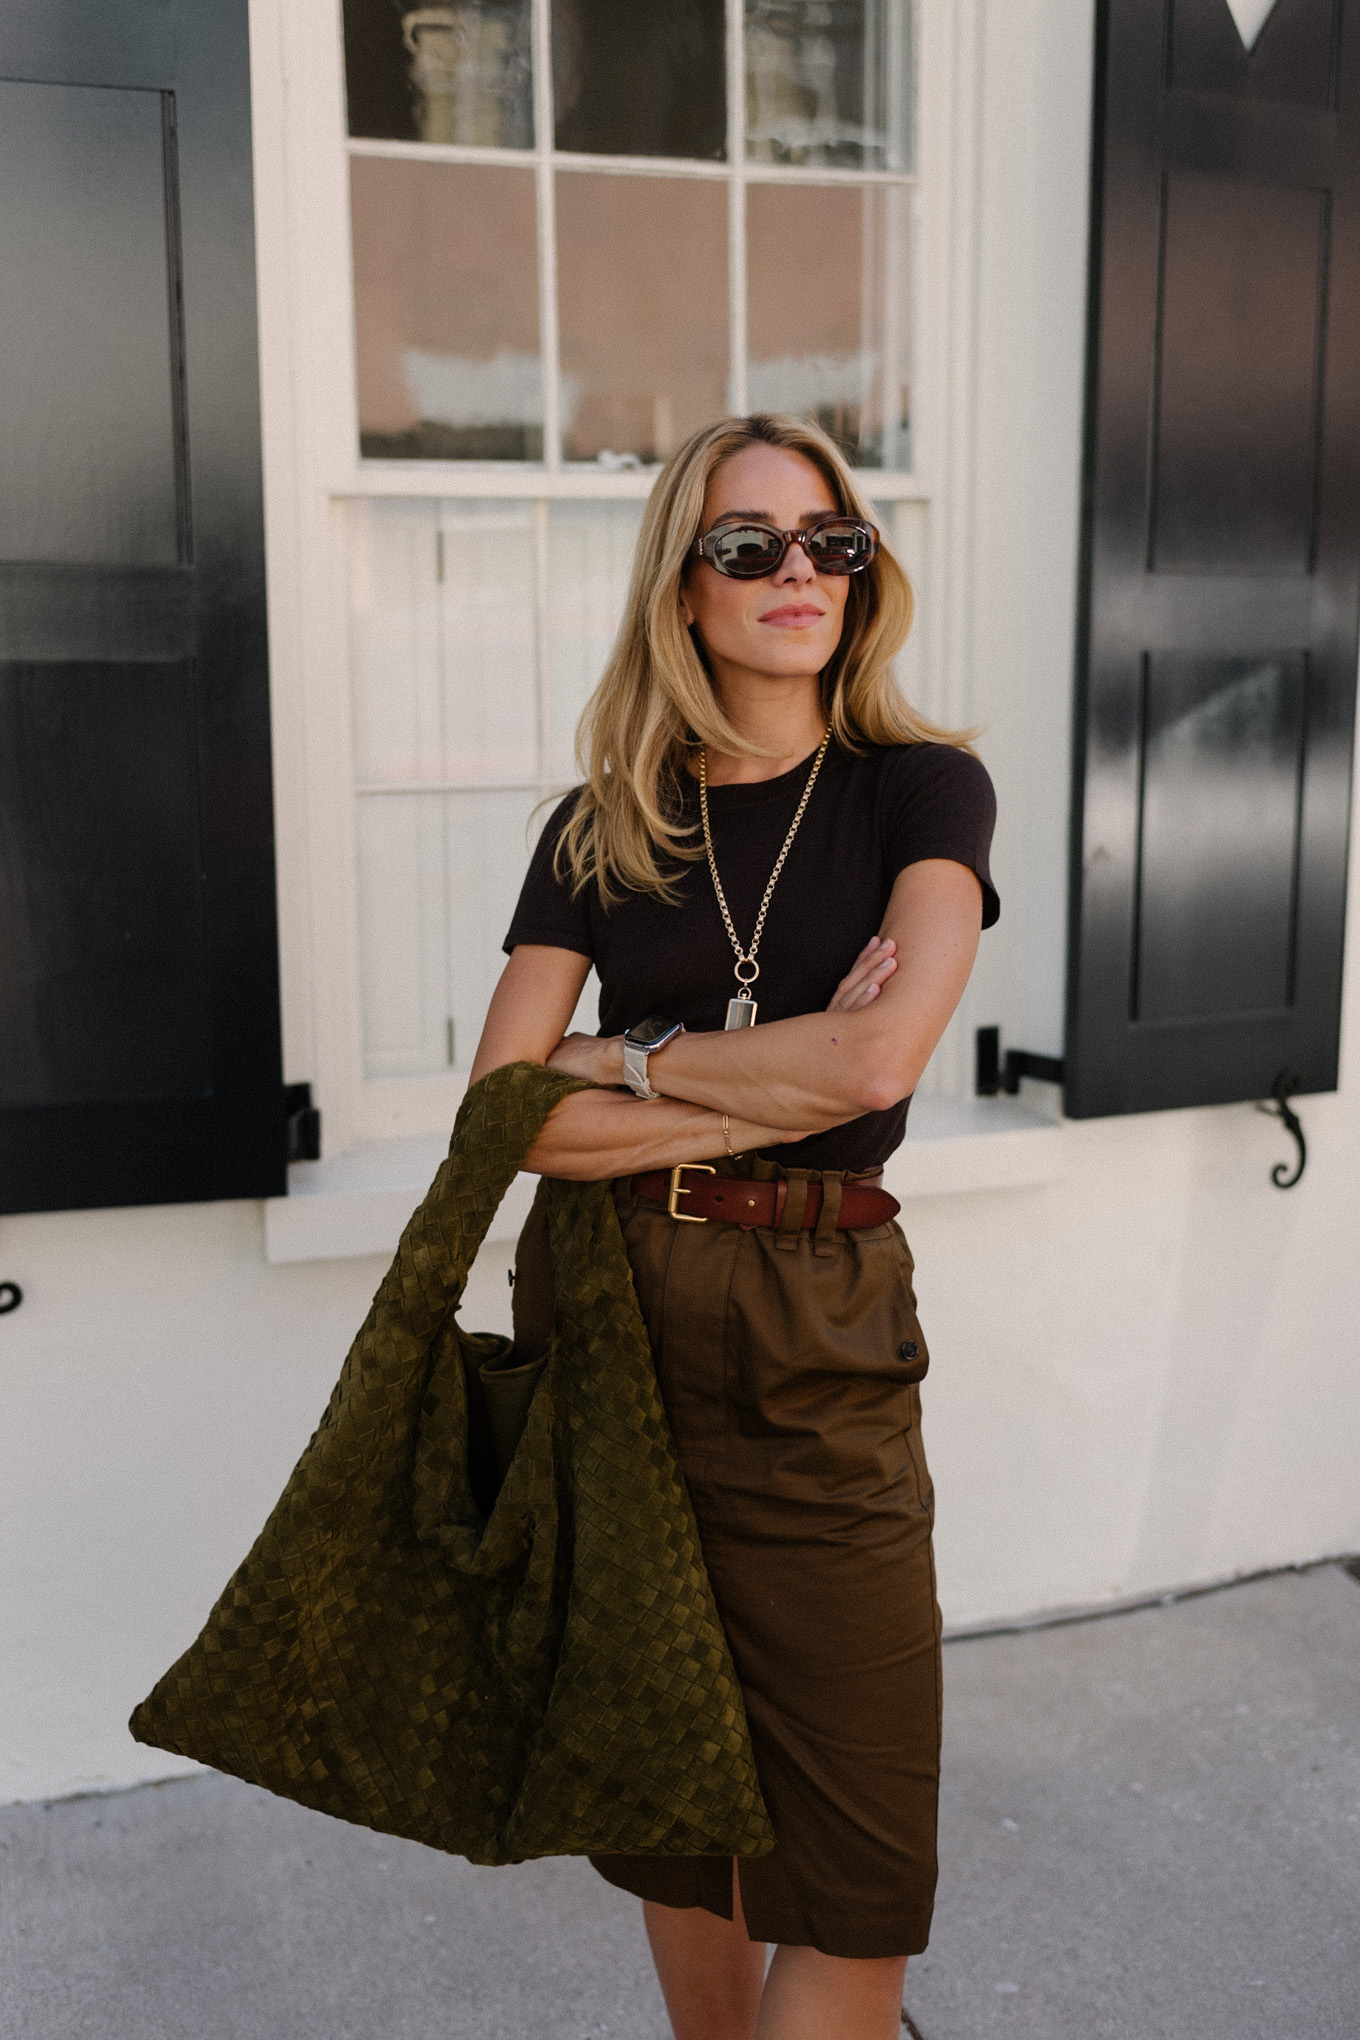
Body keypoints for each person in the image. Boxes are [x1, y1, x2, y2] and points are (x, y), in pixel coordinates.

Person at [470, 412, 998, 2040]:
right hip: (612, 1319)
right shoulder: (598, 825)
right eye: (747, 543)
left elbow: (877, 1055)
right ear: (681, 593)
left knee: (856, 1860)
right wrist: (739, 1094)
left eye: (829, 541)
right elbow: (504, 1113)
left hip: (820, 1315)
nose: (798, 573)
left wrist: (622, 1074)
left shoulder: (924, 789)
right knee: (670, 1792)